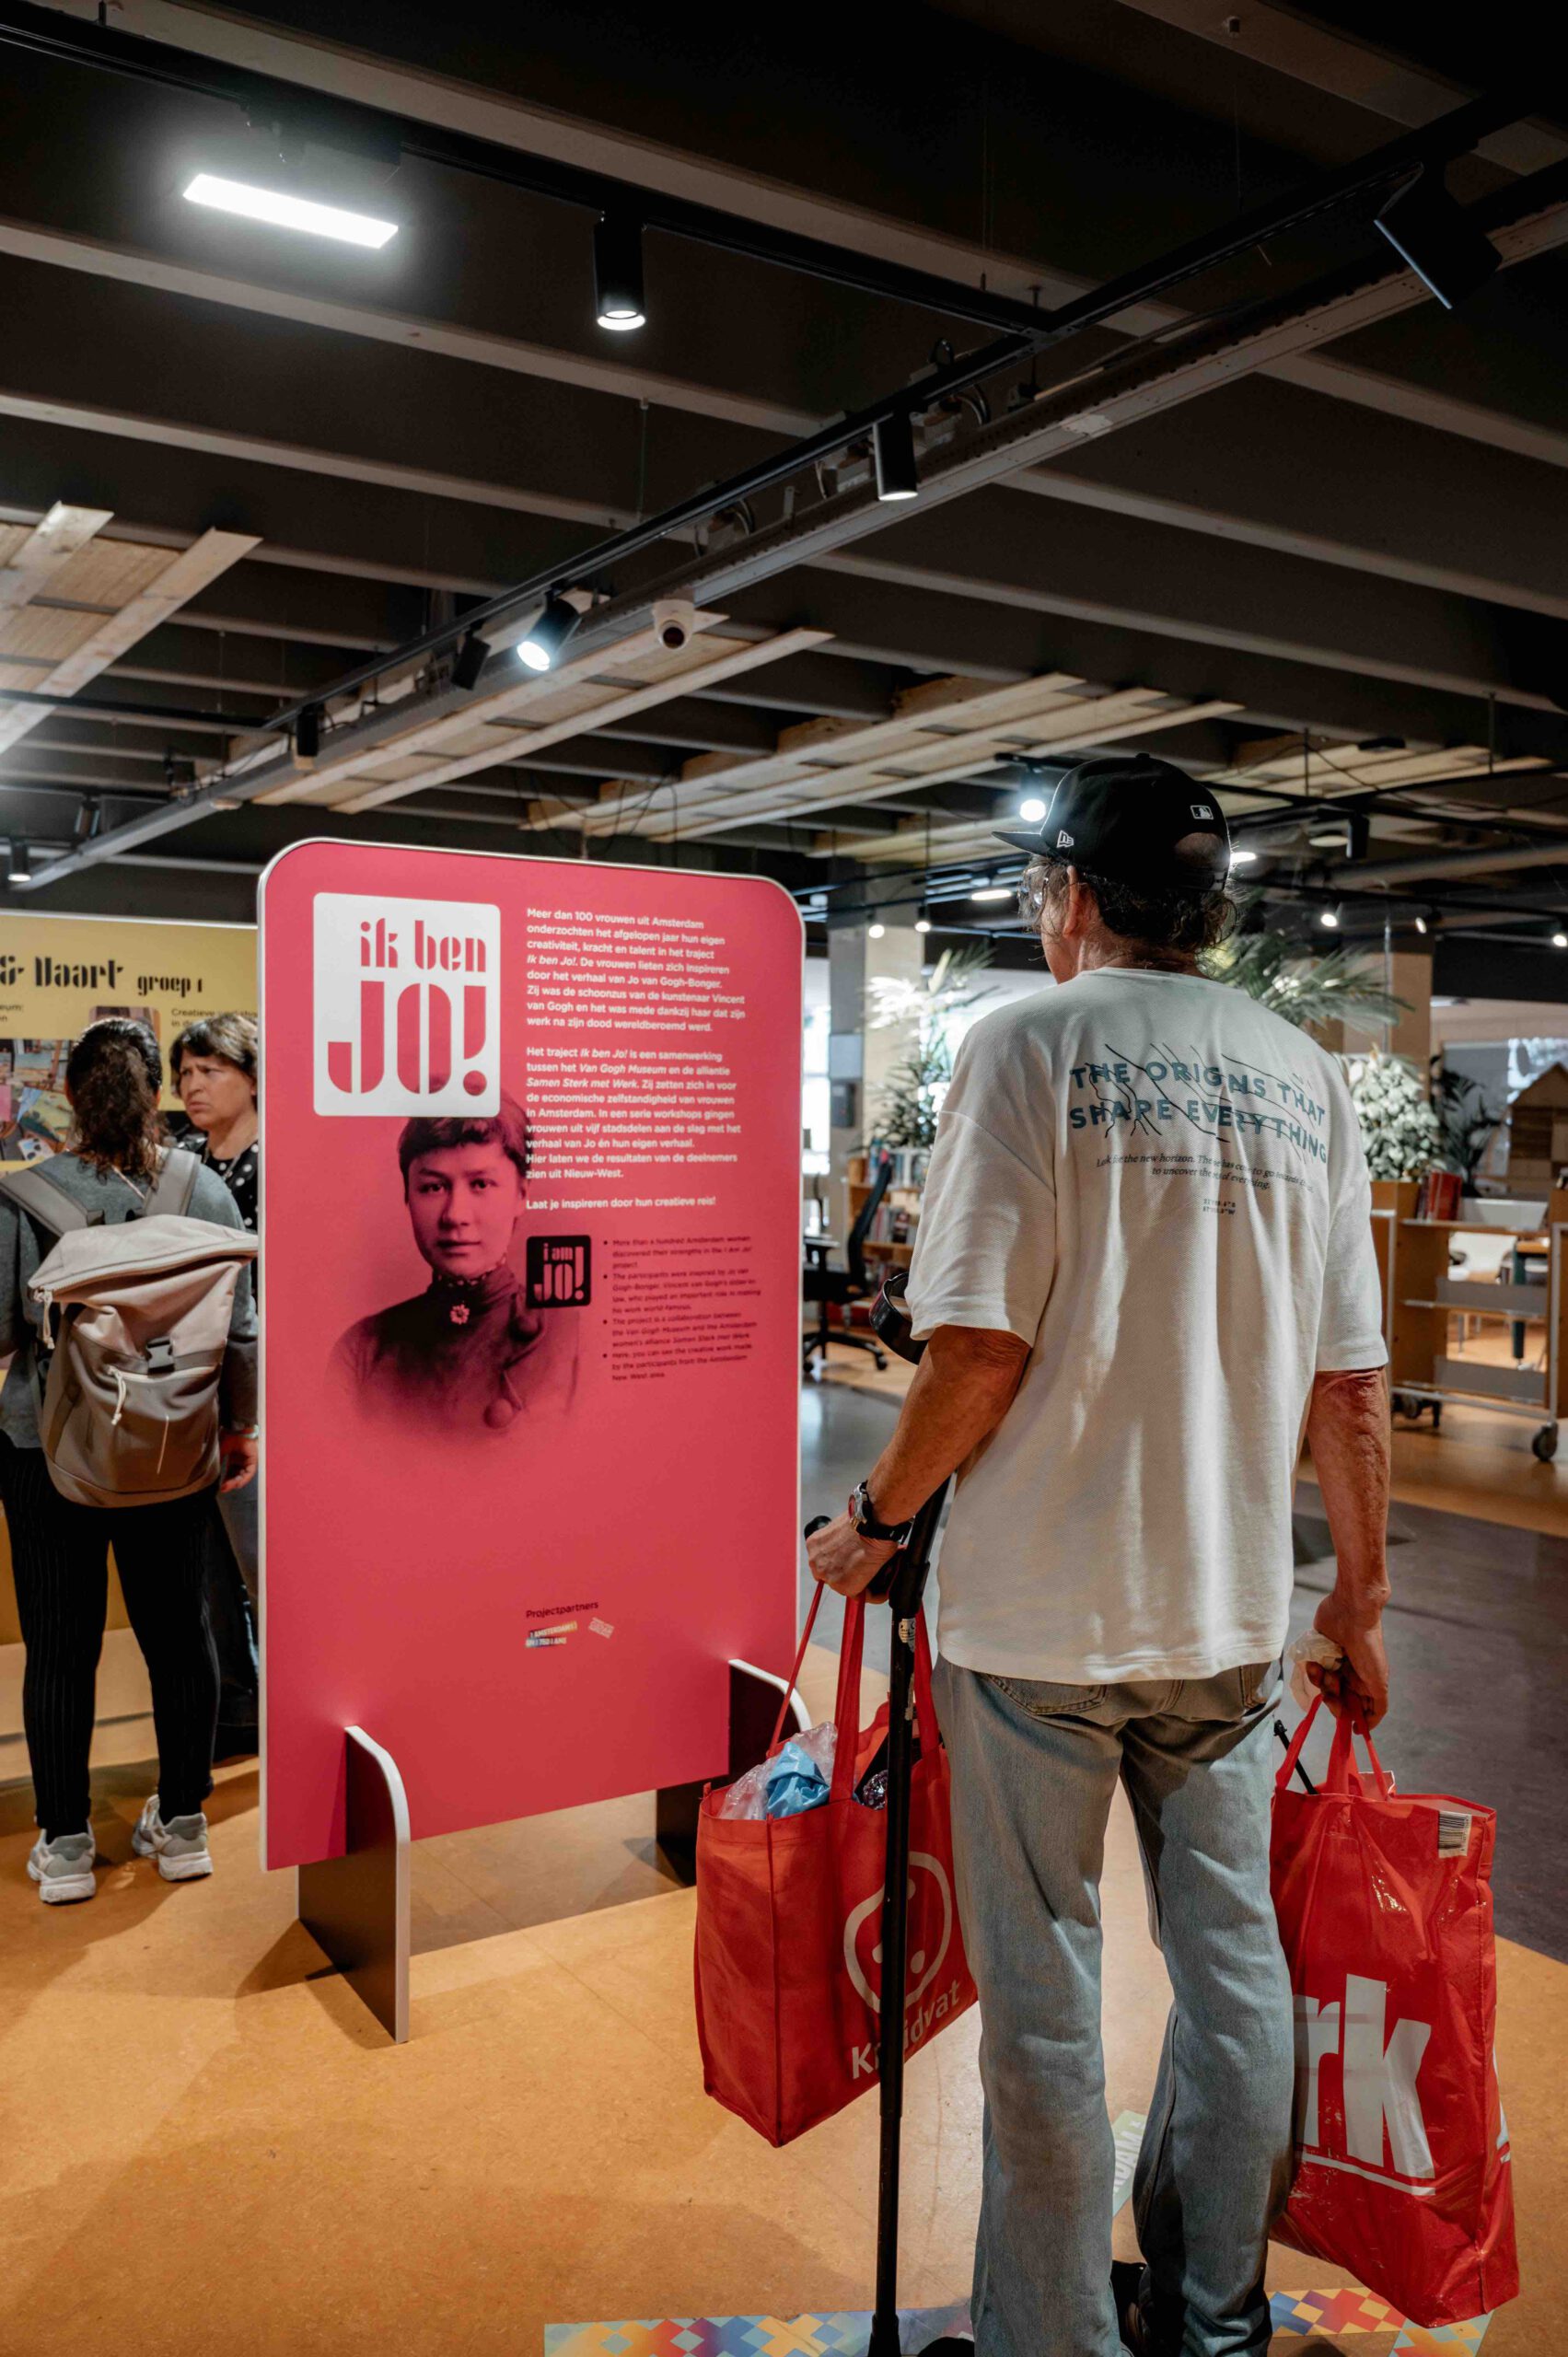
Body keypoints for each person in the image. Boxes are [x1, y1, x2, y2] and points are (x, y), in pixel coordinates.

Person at [807, 754, 1390, 2357]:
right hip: (1227, 1619)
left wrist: (873, 1521)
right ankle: (1215, 2321)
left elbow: (975, 1353)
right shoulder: (1301, 1071)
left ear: (1065, 896)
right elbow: (1349, 1384)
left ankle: (1048, 2340)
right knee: (1233, 1973)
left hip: (1035, 1625)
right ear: (1211, 912)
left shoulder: (1028, 1046)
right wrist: (1356, 1599)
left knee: (1047, 2008)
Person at [0, 1018, 259, 1904]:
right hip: (172, 1449)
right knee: (181, 1636)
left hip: (47, 1452)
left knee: (59, 1649)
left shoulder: (23, 1198)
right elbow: (241, 1330)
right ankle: (183, 1823)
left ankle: (67, 1842)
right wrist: (240, 1428)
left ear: (71, 1095)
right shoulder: (203, 1190)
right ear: (155, 1094)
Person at [331, 1097, 576, 1435]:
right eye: (434, 1187)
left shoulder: (571, 1337)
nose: (455, 1215)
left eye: (480, 1184)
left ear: (521, 1194)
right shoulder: (362, 1351)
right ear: (408, 1196)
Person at [170, 1015, 261, 1754]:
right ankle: (236, 1707)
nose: (192, 1086)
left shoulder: (279, 1163)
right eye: (184, 1074)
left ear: (252, 1077)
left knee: (260, 1555)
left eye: (210, 1070)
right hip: (192, 1385)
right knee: (205, 1564)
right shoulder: (184, 1165)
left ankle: (280, 1706)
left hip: (260, 1387)